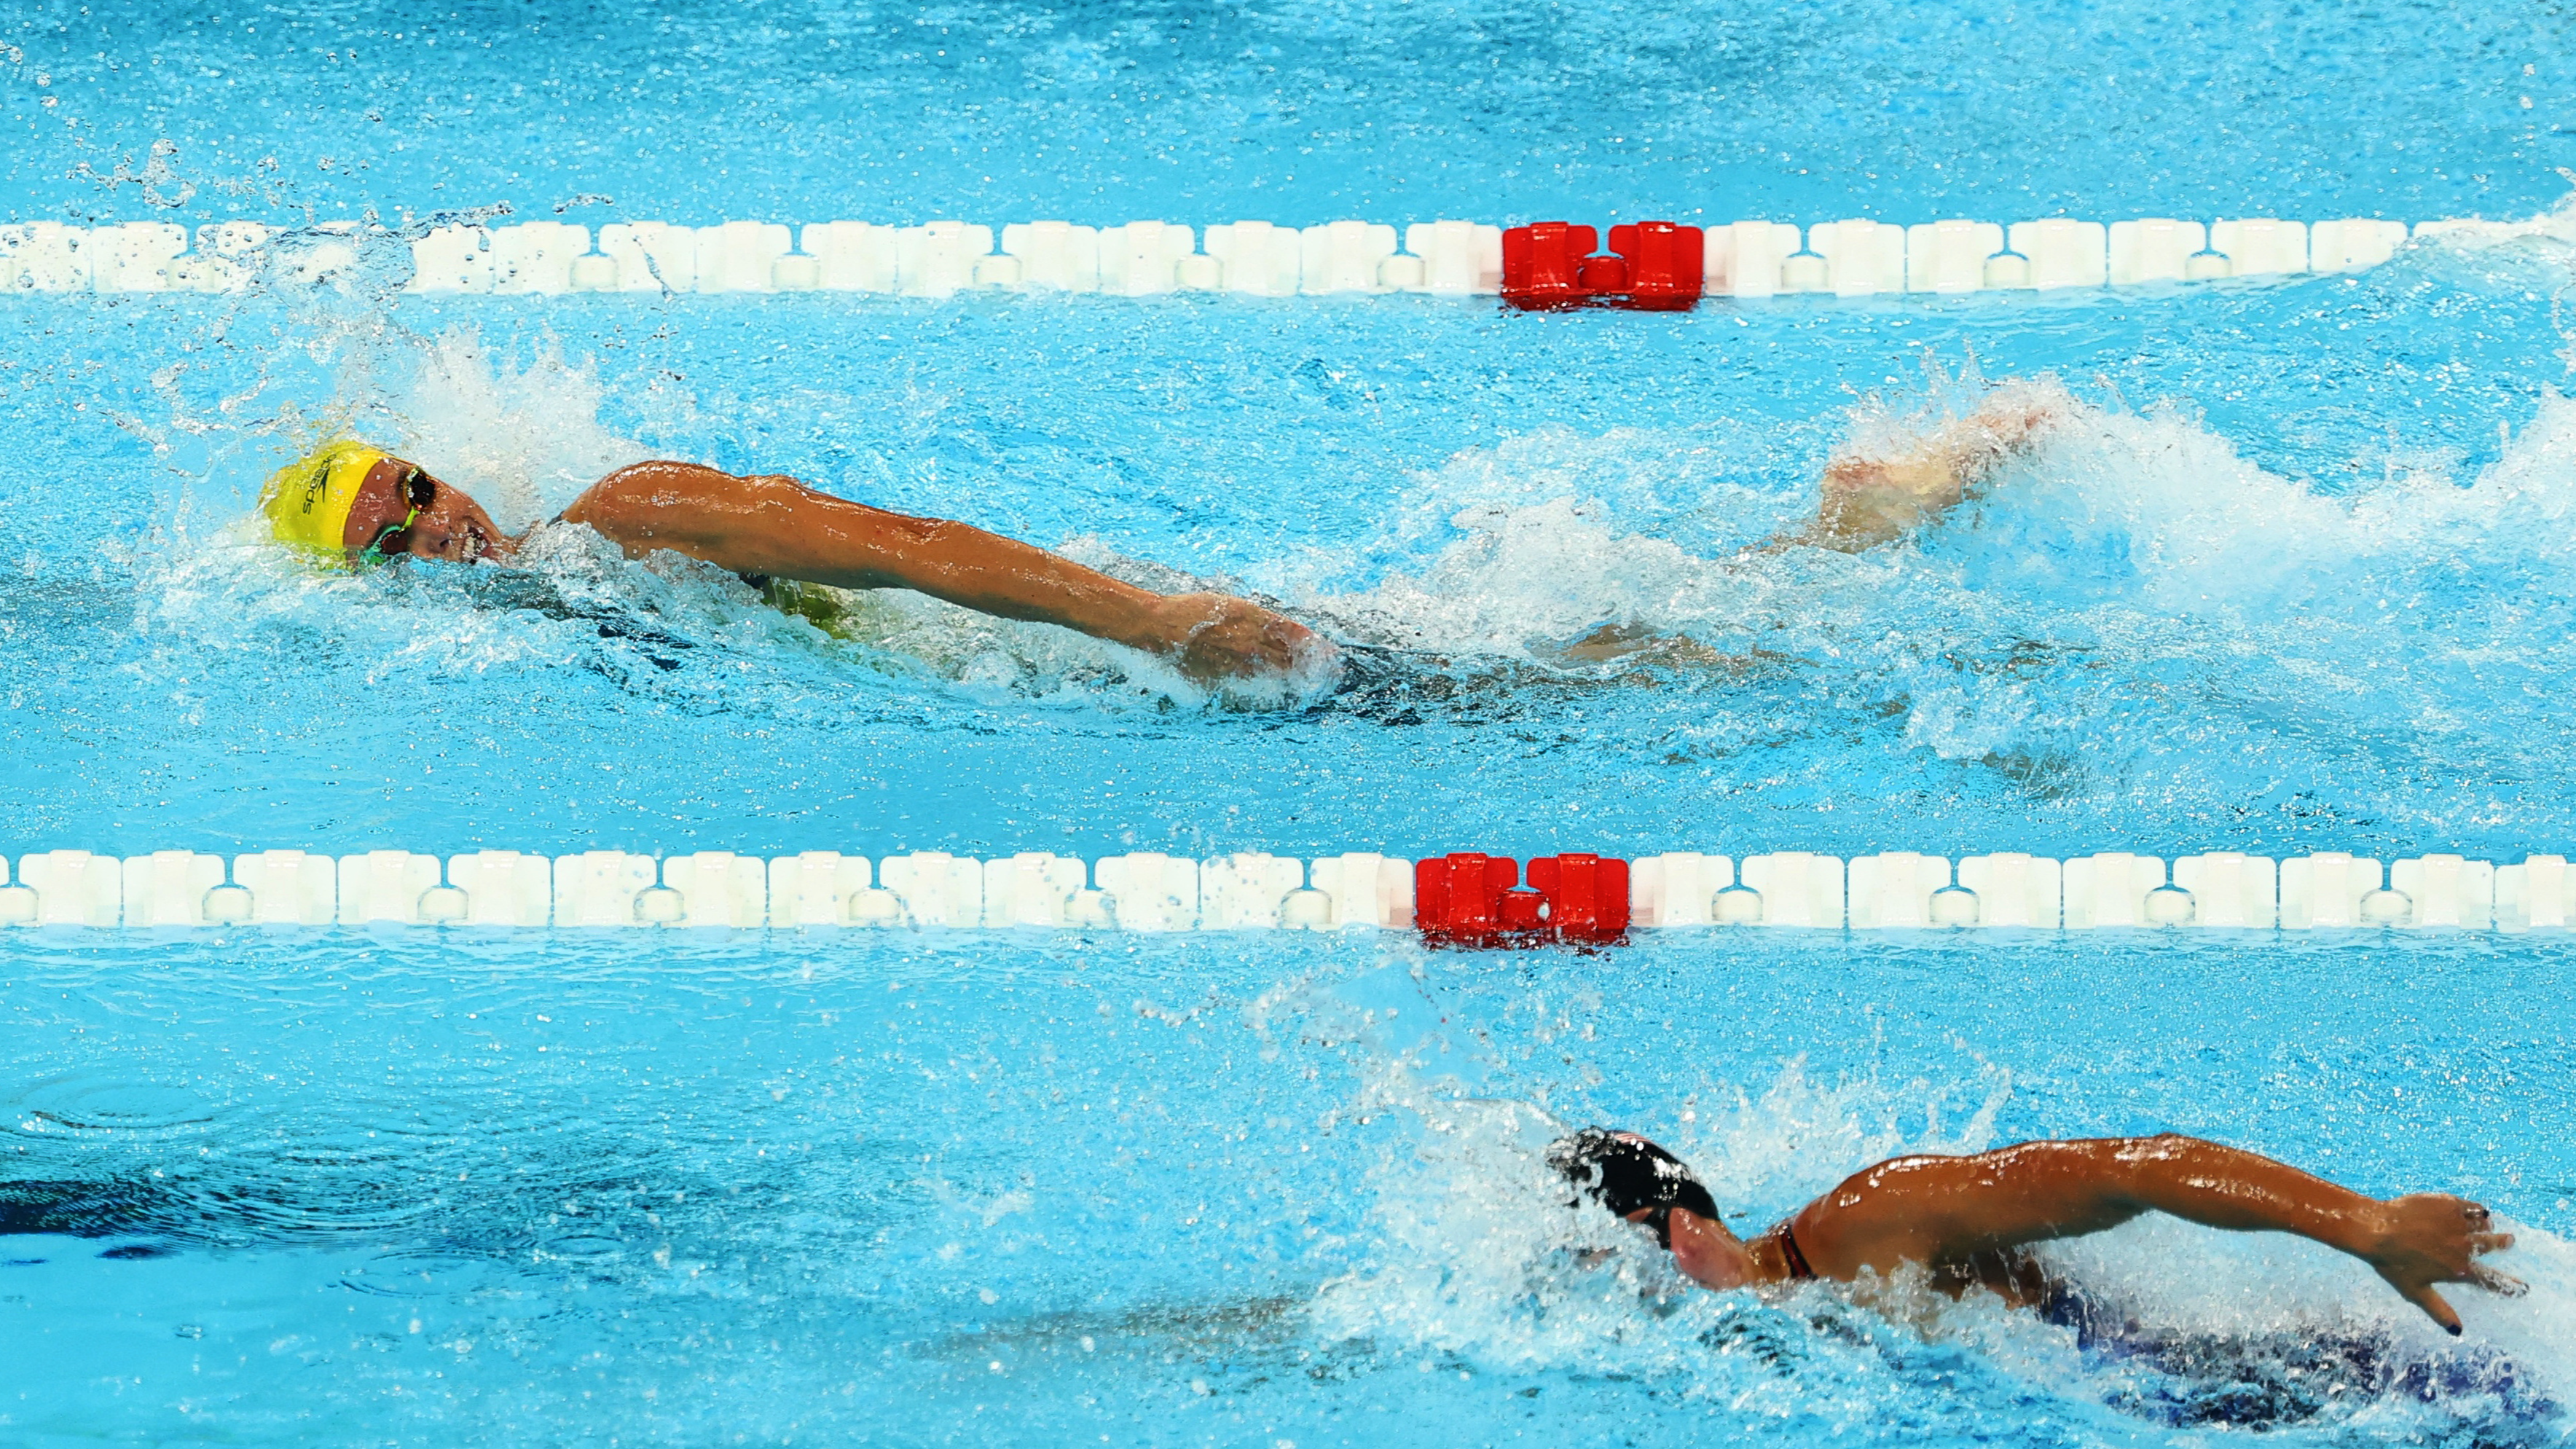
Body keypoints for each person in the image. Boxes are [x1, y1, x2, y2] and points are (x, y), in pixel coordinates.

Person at [255, 441, 1324, 686]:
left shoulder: (630, 516)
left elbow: (906, 548)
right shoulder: (521, 631)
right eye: (395, 545)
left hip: (1074, 652)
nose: (436, 530)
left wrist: (1150, 621)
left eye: (415, 493)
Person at [1549, 1128, 2524, 1335]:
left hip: (2235, 1390)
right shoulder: (1803, 1301)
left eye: (1624, 1271)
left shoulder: (1862, 1220)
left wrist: (2368, 1224)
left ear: (1673, 1234)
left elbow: (2129, 1169)